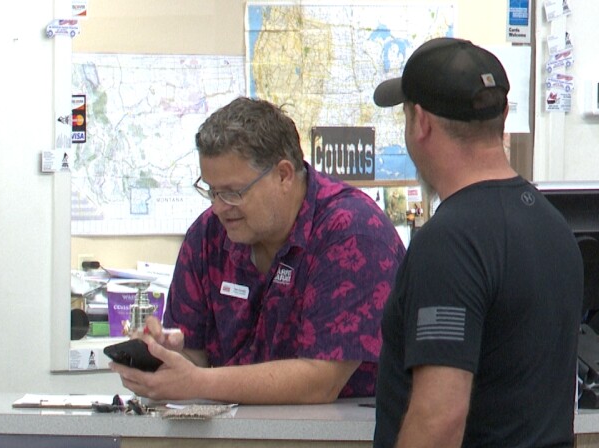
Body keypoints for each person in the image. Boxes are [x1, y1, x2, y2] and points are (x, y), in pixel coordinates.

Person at [367, 38, 583, 448]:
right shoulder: (552, 228)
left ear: (420, 123)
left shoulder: (450, 241)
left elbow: (440, 411)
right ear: (501, 119)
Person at [110, 97, 405, 404]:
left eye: (234, 193)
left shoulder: (352, 232)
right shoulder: (207, 235)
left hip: (337, 439)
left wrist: (197, 382)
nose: (219, 207)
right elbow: (194, 356)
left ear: (283, 175)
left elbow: (320, 381)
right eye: (211, 191)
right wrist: (166, 357)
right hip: (232, 436)